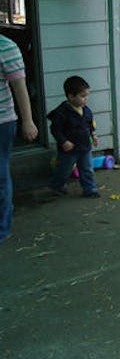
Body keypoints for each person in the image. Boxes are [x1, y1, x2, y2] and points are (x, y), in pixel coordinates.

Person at [0, 34, 38, 243]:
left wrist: (28, 121)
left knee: (0, 173)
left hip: (2, 122)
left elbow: (20, 88)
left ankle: (2, 227)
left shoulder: (6, 46)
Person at [48, 75, 101, 198]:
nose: (86, 99)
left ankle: (90, 189)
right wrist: (63, 141)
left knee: (87, 169)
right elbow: (55, 129)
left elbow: (90, 124)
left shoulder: (86, 110)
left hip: (84, 147)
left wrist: (93, 135)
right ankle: (57, 186)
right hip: (69, 150)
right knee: (64, 170)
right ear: (71, 96)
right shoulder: (61, 112)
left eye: (87, 96)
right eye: (82, 96)